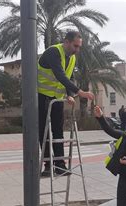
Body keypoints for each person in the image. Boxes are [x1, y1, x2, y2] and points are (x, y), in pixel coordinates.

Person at [37, 31, 94, 176]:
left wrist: (69, 94)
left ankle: (60, 164)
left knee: (58, 131)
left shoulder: (72, 58)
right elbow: (60, 75)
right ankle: (48, 165)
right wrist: (79, 92)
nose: (77, 50)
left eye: (79, 47)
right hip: (43, 96)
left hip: (57, 98)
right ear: (66, 42)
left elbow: (69, 77)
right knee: (44, 132)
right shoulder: (53, 52)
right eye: (75, 46)